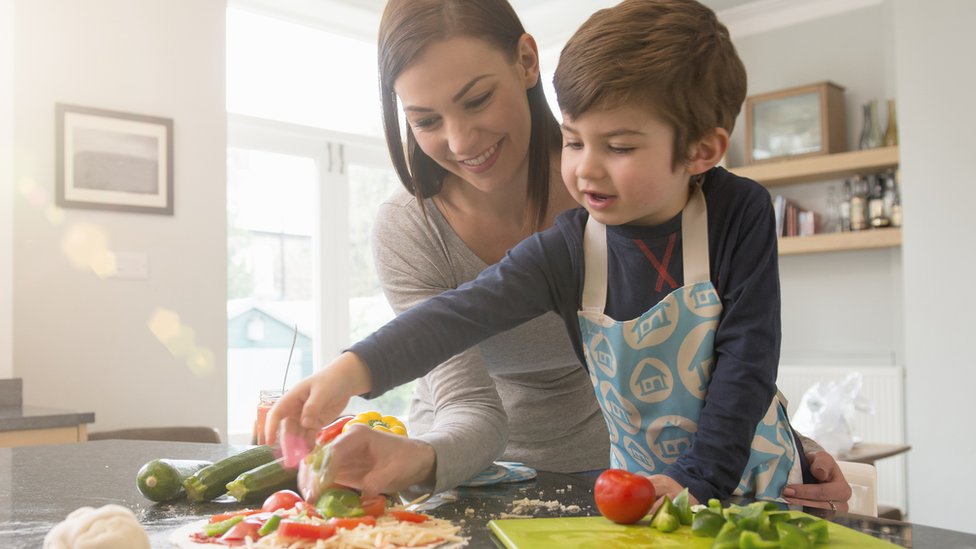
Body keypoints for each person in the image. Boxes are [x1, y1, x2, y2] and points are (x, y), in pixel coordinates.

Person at [268, 0, 852, 510]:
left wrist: (717, 473)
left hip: (726, 480)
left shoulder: (737, 211)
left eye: (617, 146)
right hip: (631, 488)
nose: (585, 168)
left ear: (702, 151)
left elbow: (746, 361)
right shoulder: (571, 243)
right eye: (574, 141)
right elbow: (459, 314)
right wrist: (347, 371)